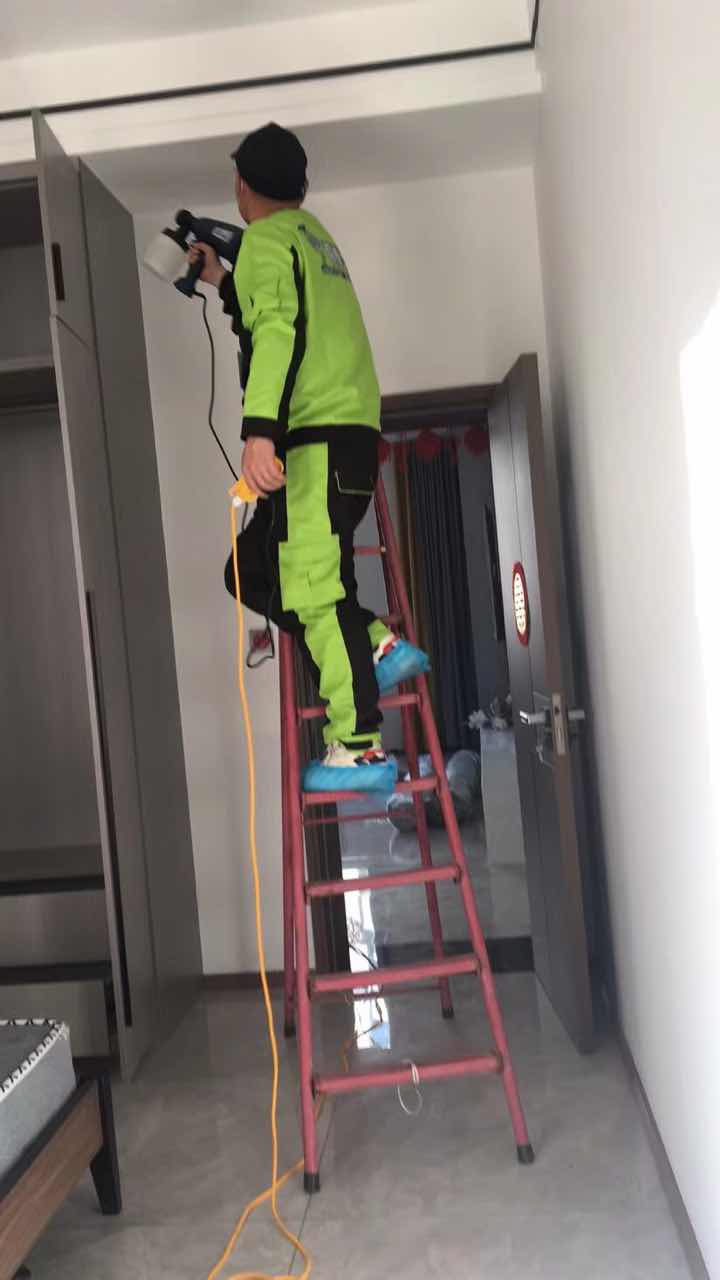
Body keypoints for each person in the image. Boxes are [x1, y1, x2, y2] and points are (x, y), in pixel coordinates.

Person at [190, 121, 428, 791]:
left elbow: (277, 333)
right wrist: (222, 279)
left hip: (314, 439)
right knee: (250, 569)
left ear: (242, 186)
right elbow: (281, 316)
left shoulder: (267, 241)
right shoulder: (314, 239)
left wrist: (259, 432)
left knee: (316, 594)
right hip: (343, 437)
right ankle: (374, 642)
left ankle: (358, 745)